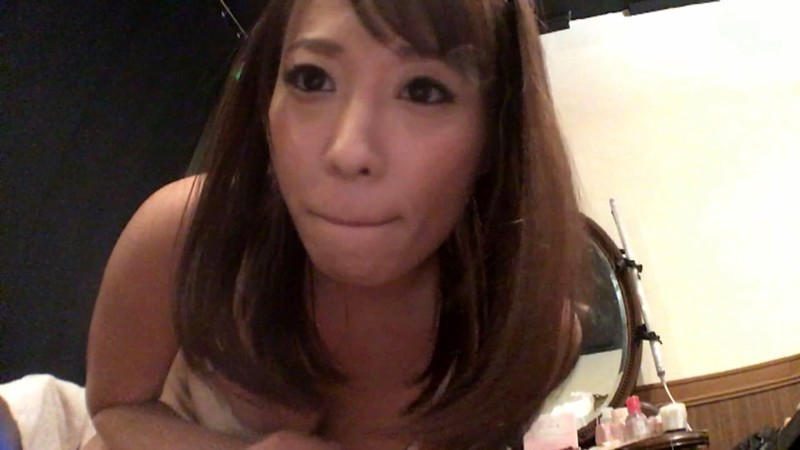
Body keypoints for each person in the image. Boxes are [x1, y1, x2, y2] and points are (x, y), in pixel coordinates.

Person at [83, 0, 586, 449]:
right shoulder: (187, 234)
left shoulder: (525, 334)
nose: (348, 151)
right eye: (312, 79)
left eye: (423, 90)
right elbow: (114, 408)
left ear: (497, 134)